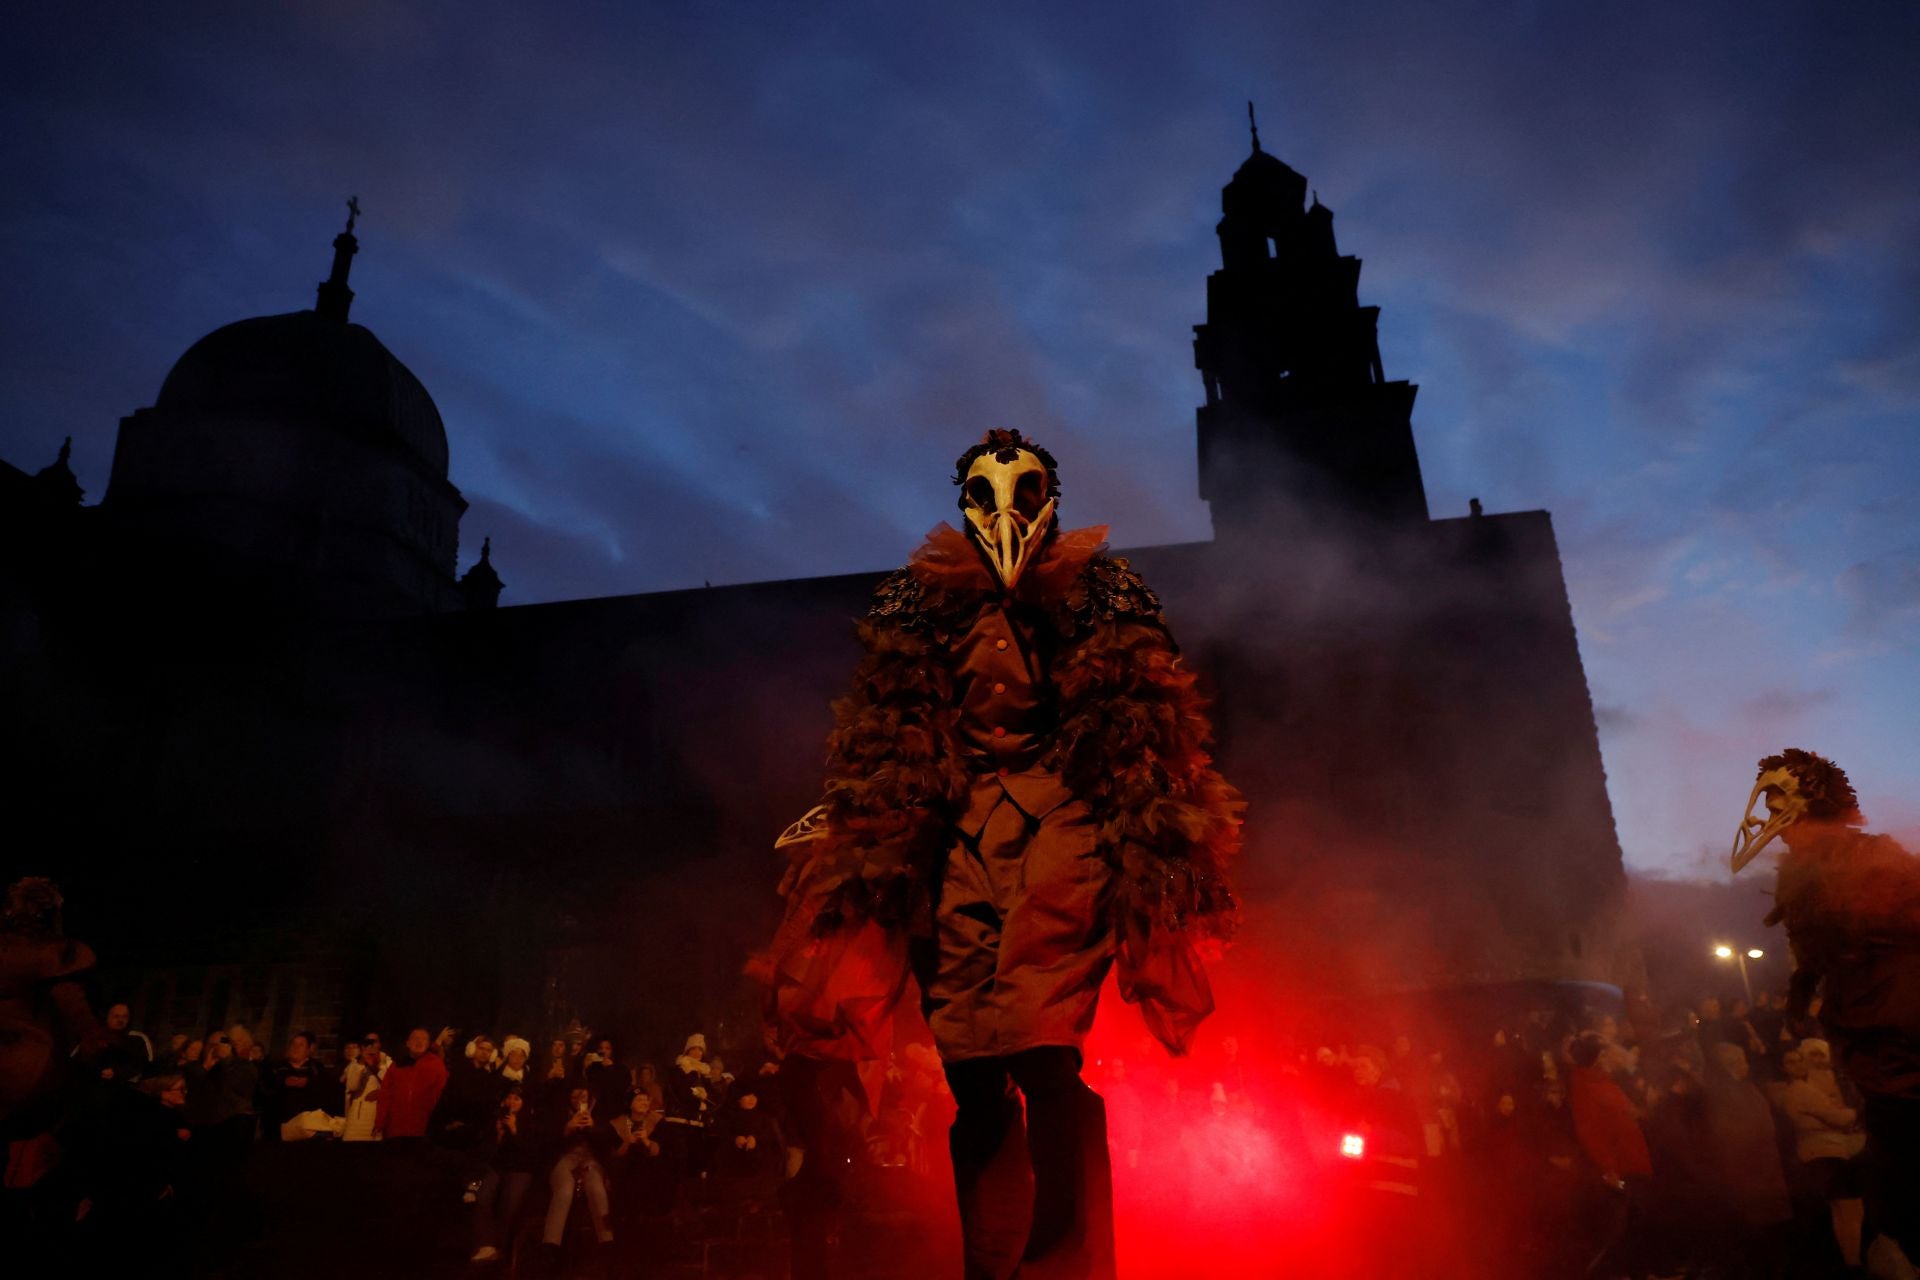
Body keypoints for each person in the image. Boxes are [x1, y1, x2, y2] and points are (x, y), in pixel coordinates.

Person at [756, 429, 1241, 1279]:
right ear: (965, 503)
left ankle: (1063, 1261)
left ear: (1049, 501)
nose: (1005, 512)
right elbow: (887, 720)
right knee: (972, 1064)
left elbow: (1145, 716)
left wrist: (1157, 825)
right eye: (985, 494)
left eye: (1025, 493)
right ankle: (992, 1260)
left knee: (1041, 1043)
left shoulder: (1100, 588)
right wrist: (869, 810)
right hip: (955, 830)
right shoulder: (921, 599)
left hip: (1064, 820)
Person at [1731, 748, 1920, 1260]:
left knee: (1902, 1205)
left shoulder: (1868, 858)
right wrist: (1802, 989)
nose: (1772, 824)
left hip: (1904, 1047)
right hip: (1875, 1060)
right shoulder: (1802, 878)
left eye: (1778, 808)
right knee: (1894, 1208)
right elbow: (1815, 947)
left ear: (1811, 803)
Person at [1781, 1039, 1867, 1268]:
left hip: (1829, 1151)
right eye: (1791, 1062)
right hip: (1825, 1153)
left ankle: (1851, 1261)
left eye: (1800, 1060)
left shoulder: (1805, 1088)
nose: (1799, 1065)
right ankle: (1853, 1263)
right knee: (1848, 1208)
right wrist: (1849, 1114)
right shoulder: (1801, 1091)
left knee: (1847, 1209)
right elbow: (1839, 1117)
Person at [539, 1085, 614, 1263]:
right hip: (565, 1157)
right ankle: (551, 1245)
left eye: (583, 1098)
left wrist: (593, 1128)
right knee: (564, 1190)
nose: (579, 1101)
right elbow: (546, 1144)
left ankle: (607, 1242)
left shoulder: (599, 1113)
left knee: (596, 1188)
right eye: (574, 1098)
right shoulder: (558, 1113)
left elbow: (607, 1144)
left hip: (591, 1159)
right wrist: (567, 1128)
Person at [470, 1086, 537, 1263]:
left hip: (520, 1169)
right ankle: (486, 1244)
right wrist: (499, 1136)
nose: (512, 1102)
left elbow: (530, 1152)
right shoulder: (497, 1118)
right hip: (497, 1167)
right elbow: (486, 1150)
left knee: (511, 1200)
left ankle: (502, 1247)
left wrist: (514, 1131)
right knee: (483, 1194)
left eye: (517, 1099)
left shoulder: (530, 1121)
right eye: (509, 1098)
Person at [375, 1026, 449, 1140]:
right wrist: (380, 1121)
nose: (419, 1041)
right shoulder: (397, 1065)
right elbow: (385, 1094)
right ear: (408, 1043)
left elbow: (443, 1094)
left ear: (428, 1044)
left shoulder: (436, 1065)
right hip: (395, 1128)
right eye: (415, 1038)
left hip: (424, 1129)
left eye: (424, 1039)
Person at [341, 1040, 384, 1141]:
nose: (370, 1050)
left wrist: (382, 1092)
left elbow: (392, 1087)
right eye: (367, 1046)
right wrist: (361, 1064)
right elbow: (352, 1086)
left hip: (377, 1120)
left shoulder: (387, 1064)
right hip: (357, 1120)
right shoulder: (355, 1065)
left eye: (373, 1046)